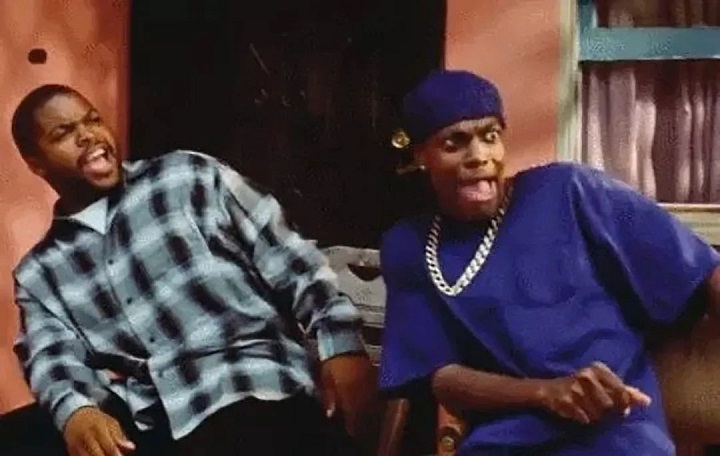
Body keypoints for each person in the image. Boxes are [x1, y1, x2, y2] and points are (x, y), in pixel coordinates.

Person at [10, 84, 374, 456]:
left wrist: (340, 343)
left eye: (93, 120)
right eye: (64, 133)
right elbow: (50, 355)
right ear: (36, 164)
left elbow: (291, 258)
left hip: (250, 385)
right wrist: (77, 412)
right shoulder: (40, 273)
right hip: (156, 417)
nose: (88, 135)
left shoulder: (188, 177)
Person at [378, 69, 720, 455]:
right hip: (501, 441)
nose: (479, 157)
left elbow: (704, 270)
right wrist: (545, 392)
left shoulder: (570, 191)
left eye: (490, 136)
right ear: (421, 155)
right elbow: (442, 378)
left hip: (616, 431)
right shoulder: (409, 246)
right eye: (454, 143)